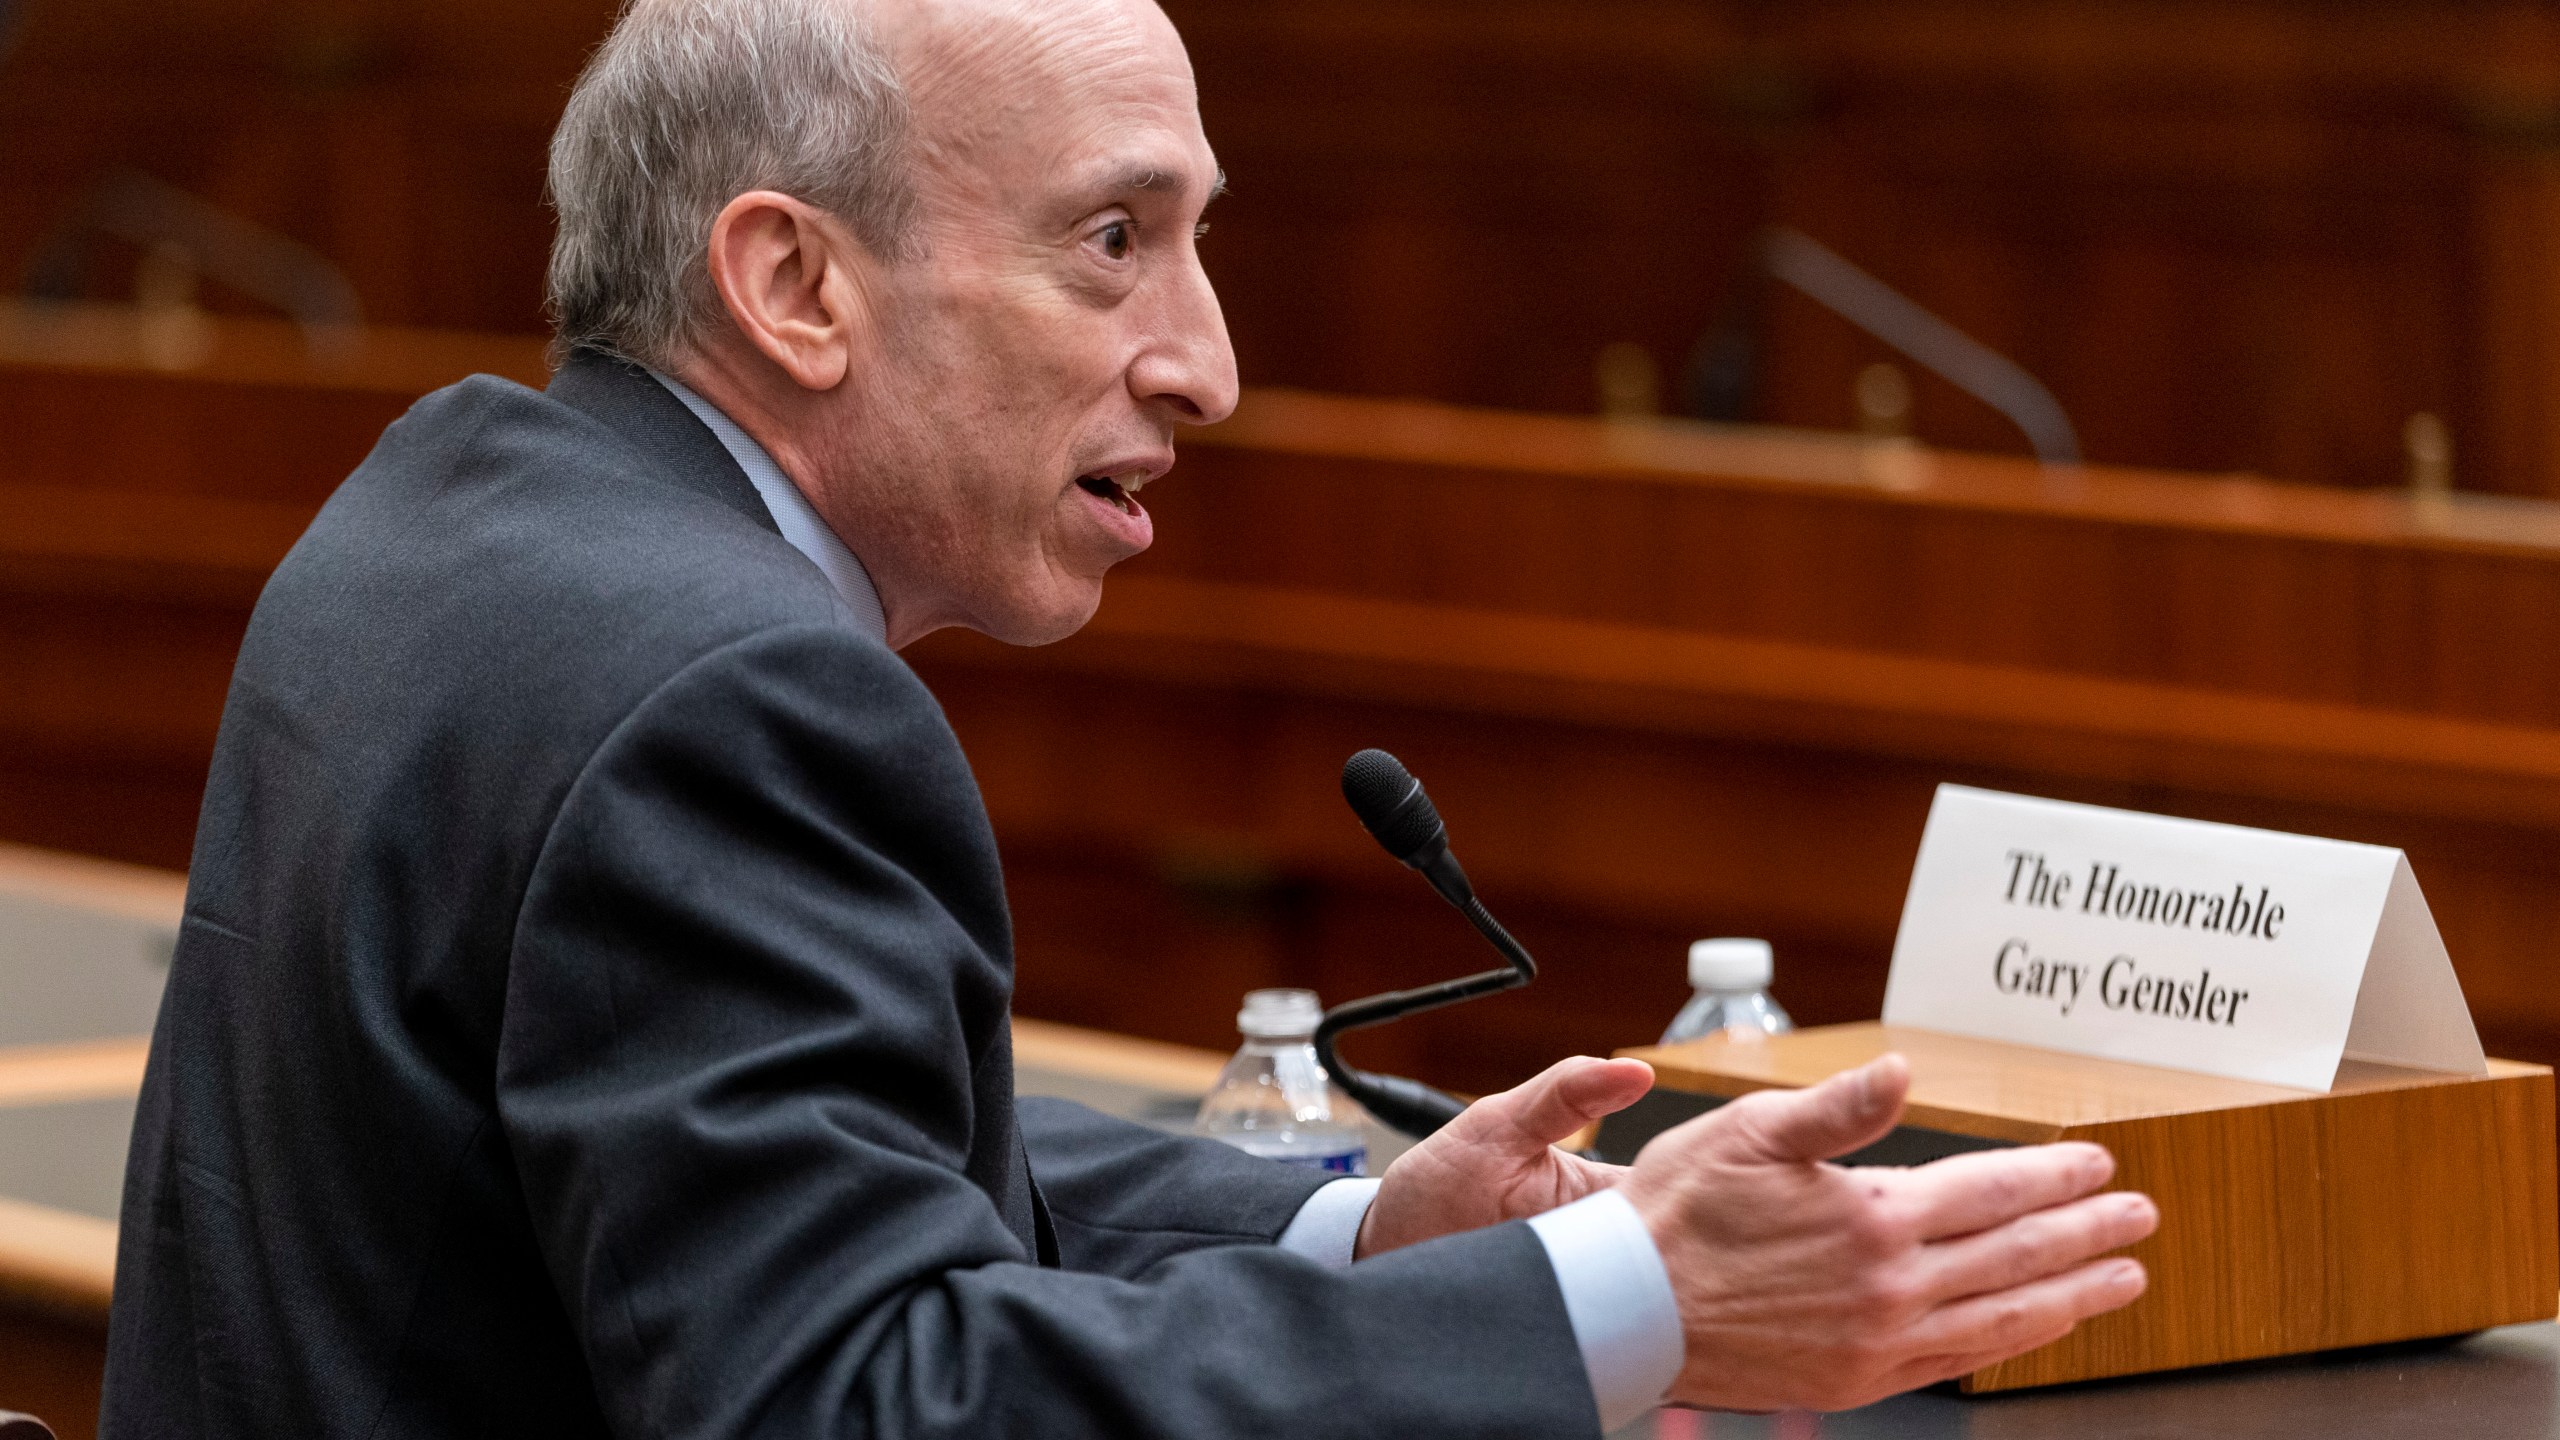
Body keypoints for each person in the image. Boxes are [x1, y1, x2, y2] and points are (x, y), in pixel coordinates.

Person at [100, 0, 2158, 1434]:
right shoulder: (729, 694)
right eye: (1112, 243)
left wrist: (1369, 1227)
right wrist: (1628, 1302)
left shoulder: (453, 515)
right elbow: (864, 1397)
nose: (1207, 364)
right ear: (794, 285)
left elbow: (788, 1174)